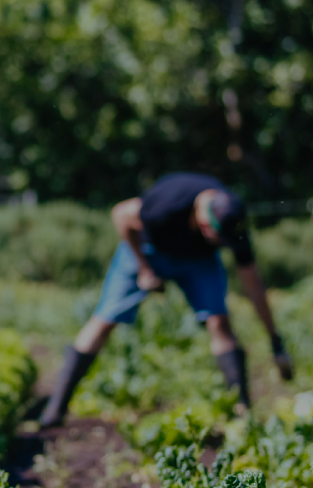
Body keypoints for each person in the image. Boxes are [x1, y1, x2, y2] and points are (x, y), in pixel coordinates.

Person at [40, 172, 294, 428]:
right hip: (147, 249)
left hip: (197, 261)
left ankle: (243, 415)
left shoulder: (233, 223)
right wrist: (144, 269)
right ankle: (55, 408)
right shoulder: (168, 204)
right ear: (205, 225)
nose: (222, 244)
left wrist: (275, 341)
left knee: (219, 322)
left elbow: (253, 285)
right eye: (217, 239)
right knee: (105, 320)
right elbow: (121, 214)